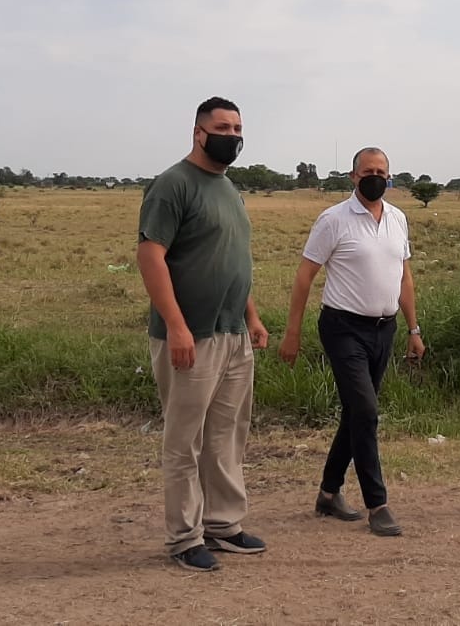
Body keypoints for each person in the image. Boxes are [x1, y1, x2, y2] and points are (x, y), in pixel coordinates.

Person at [136, 96, 270, 572]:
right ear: (198, 132)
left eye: (238, 128)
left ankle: (223, 524)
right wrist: (176, 326)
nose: (232, 136)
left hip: (232, 333)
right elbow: (150, 256)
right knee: (185, 441)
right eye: (222, 128)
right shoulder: (173, 185)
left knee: (227, 435)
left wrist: (252, 317)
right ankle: (184, 537)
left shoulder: (229, 189)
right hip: (191, 336)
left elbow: (233, 259)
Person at [279, 147, 426, 536]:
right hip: (343, 328)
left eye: (381, 171)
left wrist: (413, 330)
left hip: (385, 328)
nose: (375, 177)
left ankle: (328, 493)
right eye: (367, 171)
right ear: (353, 176)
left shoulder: (397, 219)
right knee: (366, 411)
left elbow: (404, 278)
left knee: (357, 413)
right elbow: (305, 276)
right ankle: (378, 504)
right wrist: (292, 332)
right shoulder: (333, 220)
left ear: (390, 177)